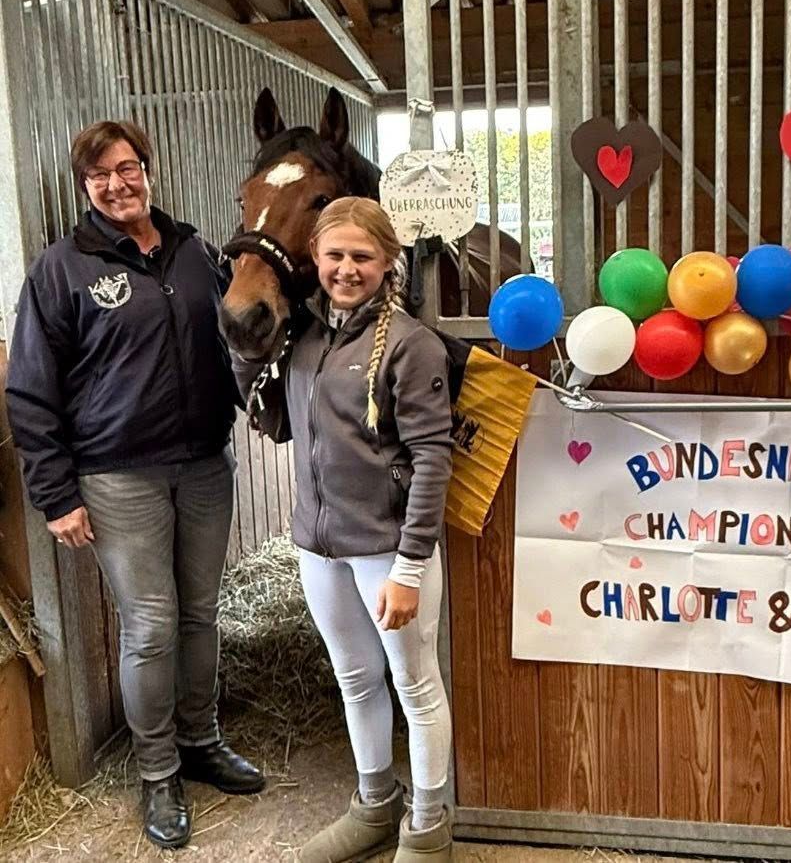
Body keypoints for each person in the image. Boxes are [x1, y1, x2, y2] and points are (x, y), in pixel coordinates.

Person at [5, 121, 263, 850]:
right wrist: (56, 493)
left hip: (205, 464)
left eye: (127, 168)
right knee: (150, 626)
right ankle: (158, 771)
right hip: (118, 476)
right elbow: (30, 390)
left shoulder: (196, 253)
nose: (117, 185)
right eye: (100, 175)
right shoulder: (61, 270)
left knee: (201, 614)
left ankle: (201, 740)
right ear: (84, 186)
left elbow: (238, 342)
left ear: (149, 170)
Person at [235, 196, 454, 863]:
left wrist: (410, 569)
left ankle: (428, 826)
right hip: (319, 547)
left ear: (388, 263)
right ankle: (374, 806)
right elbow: (276, 420)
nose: (346, 269)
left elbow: (432, 458)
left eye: (362, 256)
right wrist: (247, 352)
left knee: (415, 685)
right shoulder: (304, 338)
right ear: (315, 258)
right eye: (334, 255)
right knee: (354, 678)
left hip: (387, 551)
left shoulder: (412, 345)